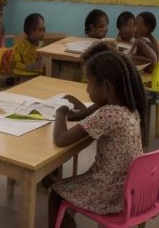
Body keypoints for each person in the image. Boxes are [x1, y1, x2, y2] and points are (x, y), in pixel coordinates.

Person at [48, 51, 147, 228]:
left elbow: (61, 139)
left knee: (56, 195)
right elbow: (93, 111)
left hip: (110, 191)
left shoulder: (108, 114)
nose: (86, 89)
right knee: (65, 188)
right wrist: (79, 112)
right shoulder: (130, 107)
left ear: (106, 86)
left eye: (89, 82)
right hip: (131, 186)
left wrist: (60, 112)